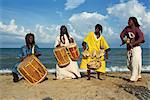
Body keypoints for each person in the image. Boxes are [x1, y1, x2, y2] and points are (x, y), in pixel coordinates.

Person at [120, 17, 145, 82]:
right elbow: (121, 35)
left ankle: (133, 78)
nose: (128, 22)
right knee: (129, 64)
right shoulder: (127, 28)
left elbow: (141, 38)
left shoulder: (137, 29)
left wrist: (133, 43)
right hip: (129, 49)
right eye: (128, 20)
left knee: (134, 63)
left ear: (133, 22)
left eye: (130, 21)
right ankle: (138, 75)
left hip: (136, 48)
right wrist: (124, 40)